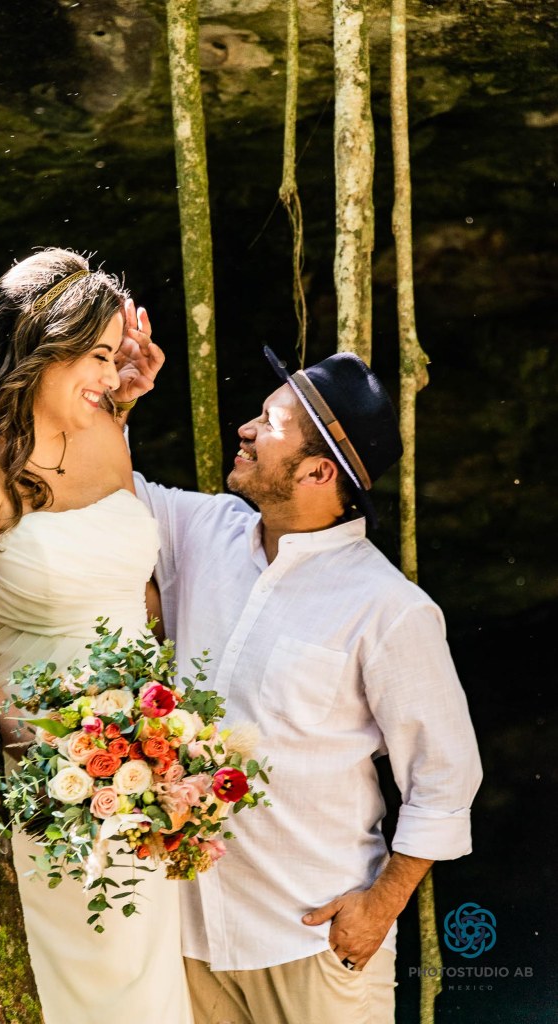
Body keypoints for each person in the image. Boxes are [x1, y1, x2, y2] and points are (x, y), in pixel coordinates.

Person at [131, 344, 483, 1024]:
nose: (246, 429)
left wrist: (379, 908)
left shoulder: (388, 607)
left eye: (270, 422)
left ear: (319, 470)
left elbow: (445, 777)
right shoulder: (204, 530)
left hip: (312, 938)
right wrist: (119, 397)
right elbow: (108, 491)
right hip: (187, 931)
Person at [0, 248, 192, 1024]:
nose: (109, 373)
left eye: (112, 355)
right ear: (43, 344)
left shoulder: (105, 430)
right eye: (96, 355)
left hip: (142, 772)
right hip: (45, 783)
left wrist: (164, 739)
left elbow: (136, 589)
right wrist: (41, 744)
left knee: (145, 974)